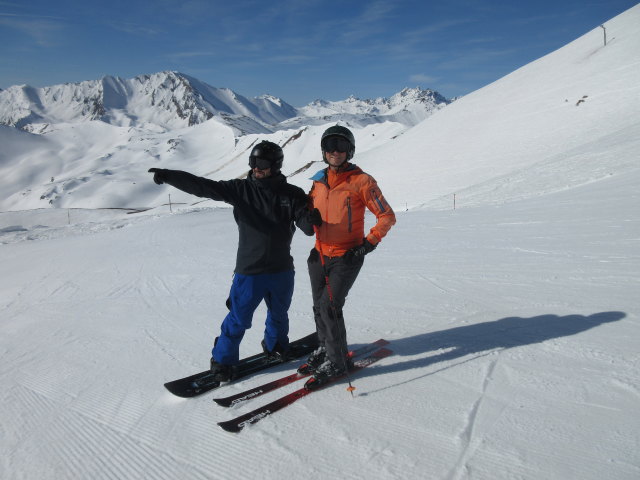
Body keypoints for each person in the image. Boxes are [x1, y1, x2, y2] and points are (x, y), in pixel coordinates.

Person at [148, 141, 321, 381]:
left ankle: (277, 346)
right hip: (250, 271)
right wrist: (169, 176)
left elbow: (306, 225)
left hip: (282, 269)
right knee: (239, 319)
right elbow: (203, 187)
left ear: (276, 165)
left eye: (261, 163)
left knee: (279, 314)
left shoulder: (291, 194)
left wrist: (311, 220)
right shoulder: (241, 189)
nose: (256, 168)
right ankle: (223, 361)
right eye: (252, 162)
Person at [302, 125, 396, 389]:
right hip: (319, 253)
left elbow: (386, 216)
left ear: (350, 150)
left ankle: (338, 361)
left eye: (341, 146)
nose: (335, 151)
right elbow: (309, 210)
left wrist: (368, 244)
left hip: (347, 255)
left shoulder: (362, 181)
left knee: (330, 307)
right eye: (330, 145)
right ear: (323, 150)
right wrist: (306, 219)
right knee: (318, 306)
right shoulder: (318, 180)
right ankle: (325, 348)